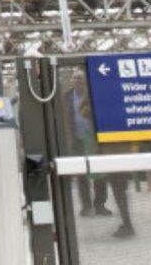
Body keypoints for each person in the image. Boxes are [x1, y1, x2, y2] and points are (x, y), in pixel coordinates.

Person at [65, 72, 111, 217]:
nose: (77, 80)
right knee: (81, 175)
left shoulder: (92, 93)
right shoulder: (67, 97)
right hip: (77, 140)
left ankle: (100, 204)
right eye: (74, 78)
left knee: (99, 173)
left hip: (93, 139)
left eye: (80, 78)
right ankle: (86, 206)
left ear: (85, 80)